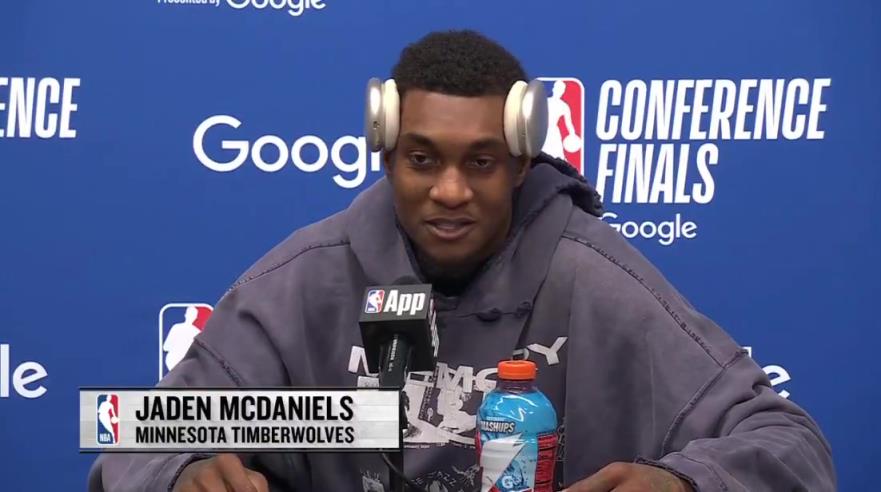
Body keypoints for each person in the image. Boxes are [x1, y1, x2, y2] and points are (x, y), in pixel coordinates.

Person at [88, 30, 836, 492]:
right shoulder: (303, 284)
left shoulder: (594, 279)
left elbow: (789, 445)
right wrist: (180, 472)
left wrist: (683, 483)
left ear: (521, 162)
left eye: (480, 162)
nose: (450, 192)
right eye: (422, 159)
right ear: (385, 153)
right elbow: (138, 438)